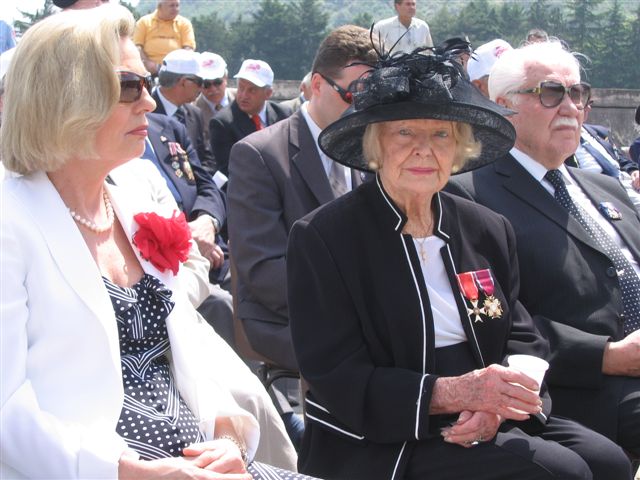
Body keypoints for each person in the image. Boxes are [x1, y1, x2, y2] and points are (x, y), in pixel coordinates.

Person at [285, 47, 632, 479]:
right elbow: (336, 374)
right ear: (375, 144)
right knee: (560, 472)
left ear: (459, 149)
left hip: (488, 410)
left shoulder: (484, 226)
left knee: (609, 463)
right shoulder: (325, 237)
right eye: (405, 133)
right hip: (384, 434)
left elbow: (522, 336)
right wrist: (455, 394)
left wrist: (499, 401)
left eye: (441, 136)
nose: (424, 150)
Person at [0, 6, 316, 479]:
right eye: (130, 87)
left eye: (147, 84)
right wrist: (129, 472)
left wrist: (228, 439)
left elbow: (183, 356)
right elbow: (6, 408)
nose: (149, 103)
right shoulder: (10, 219)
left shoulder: (126, 203)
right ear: (66, 96)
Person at [446, 41, 640, 458]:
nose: (569, 106)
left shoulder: (606, 189)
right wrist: (606, 356)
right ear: (504, 106)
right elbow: (489, 319)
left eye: (577, 93)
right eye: (550, 93)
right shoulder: (467, 196)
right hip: (578, 388)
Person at [209, 59, 291, 179]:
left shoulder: (283, 115)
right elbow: (229, 171)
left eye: (252, 90)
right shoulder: (223, 123)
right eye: (241, 88)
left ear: (268, 93)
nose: (243, 95)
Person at [153, 48, 215, 173]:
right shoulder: (143, 113)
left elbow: (206, 158)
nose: (202, 88)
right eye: (201, 82)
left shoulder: (195, 114)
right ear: (184, 82)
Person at [133, 0, 195, 76]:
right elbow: (137, 47)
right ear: (160, 7)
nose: (175, 9)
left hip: (176, 72)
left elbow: (189, 48)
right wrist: (146, 62)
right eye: (172, 5)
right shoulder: (144, 22)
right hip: (149, 70)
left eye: (177, 5)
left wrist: (180, 66)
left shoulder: (185, 23)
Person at [195, 52, 237, 147]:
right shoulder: (192, 110)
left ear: (225, 78)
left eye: (217, 82)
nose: (213, 89)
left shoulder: (242, 99)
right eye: (206, 85)